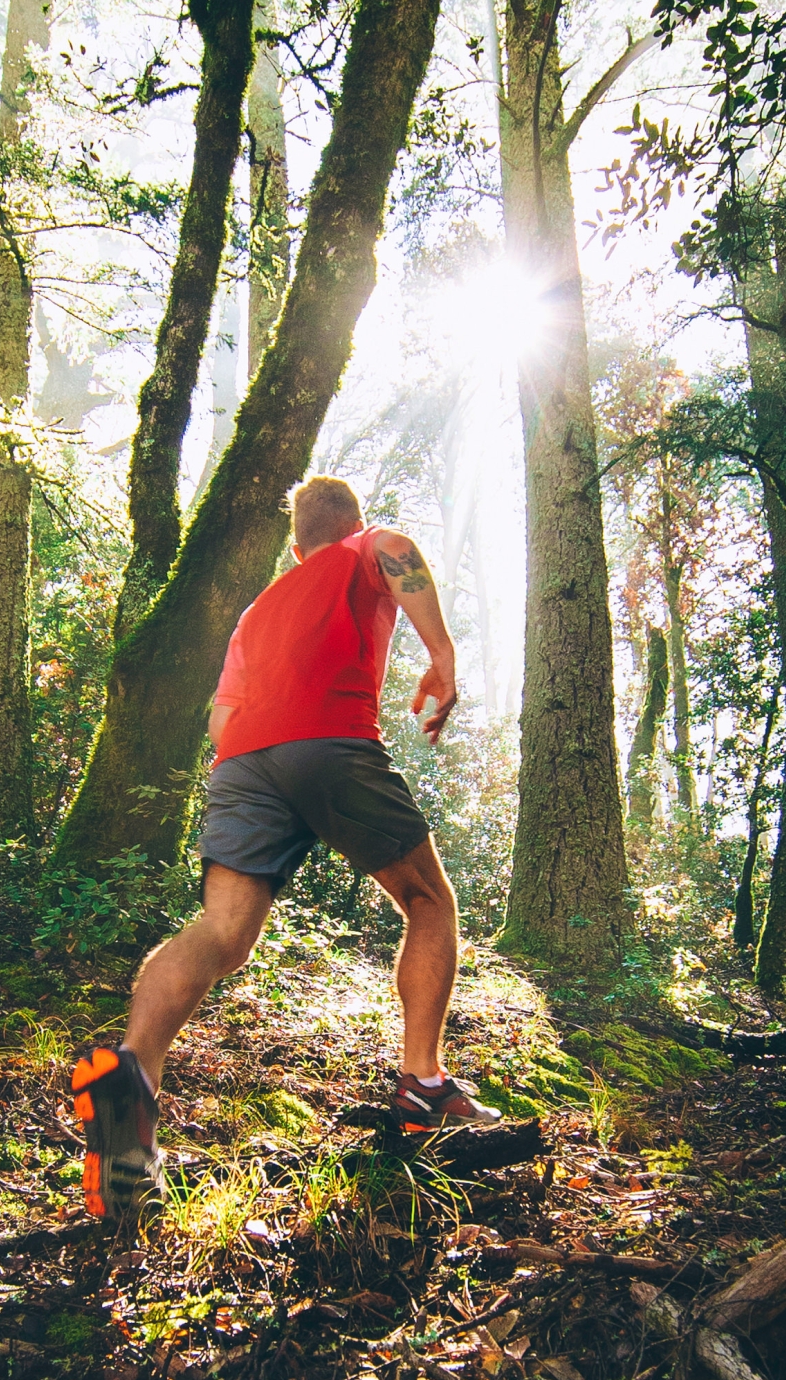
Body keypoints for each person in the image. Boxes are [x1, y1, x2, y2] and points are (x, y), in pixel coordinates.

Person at [70, 475, 500, 1222]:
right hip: (329, 742)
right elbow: (398, 551)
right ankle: (423, 1082)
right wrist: (442, 654)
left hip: (240, 764)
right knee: (428, 900)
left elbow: (221, 717)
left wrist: (259, 761)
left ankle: (129, 1078)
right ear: (351, 527)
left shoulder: (258, 610)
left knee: (222, 932)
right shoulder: (367, 547)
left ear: (296, 546)